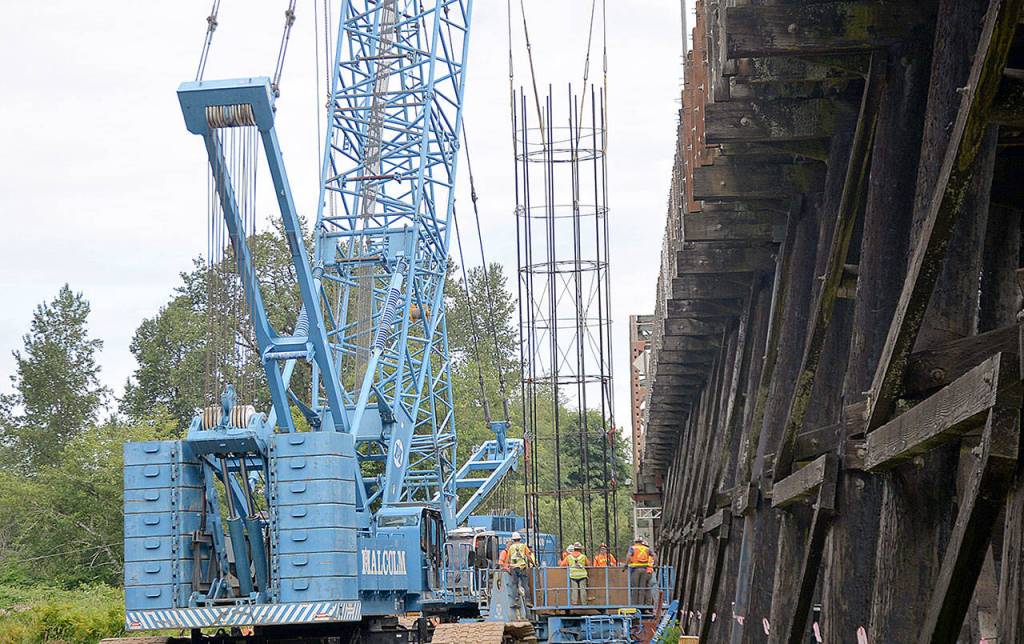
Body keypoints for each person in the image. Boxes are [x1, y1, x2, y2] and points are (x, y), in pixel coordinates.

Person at [504, 532, 535, 614]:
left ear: (513, 539)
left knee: (515, 584)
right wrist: (534, 564)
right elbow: (528, 556)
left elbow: (508, 559)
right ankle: (528, 601)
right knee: (525, 584)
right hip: (522, 567)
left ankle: (516, 600)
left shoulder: (511, 548)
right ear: (520, 539)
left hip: (514, 568)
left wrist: (506, 567)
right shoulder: (523, 546)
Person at [626, 536, 653, 605]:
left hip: (635, 569)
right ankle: (641, 605)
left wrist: (626, 564)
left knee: (635, 588)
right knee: (642, 588)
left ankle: (634, 605)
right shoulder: (647, 548)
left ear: (635, 542)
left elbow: (629, 556)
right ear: (641, 542)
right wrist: (655, 564)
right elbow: (654, 555)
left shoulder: (633, 548)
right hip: (644, 570)